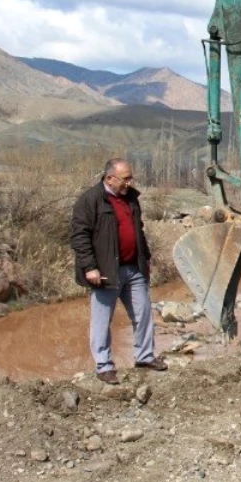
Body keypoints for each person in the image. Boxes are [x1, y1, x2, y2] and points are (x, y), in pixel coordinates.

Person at [69, 158, 167, 384]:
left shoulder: (131, 199)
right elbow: (79, 236)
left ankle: (145, 356)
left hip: (134, 269)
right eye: (125, 179)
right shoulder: (90, 200)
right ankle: (104, 366)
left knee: (143, 315)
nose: (129, 183)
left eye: (130, 178)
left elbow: (138, 230)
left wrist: (147, 257)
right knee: (102, 322)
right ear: (109, 178)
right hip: (105, 272)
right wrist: (90, 267)